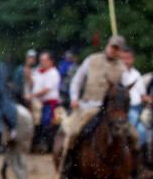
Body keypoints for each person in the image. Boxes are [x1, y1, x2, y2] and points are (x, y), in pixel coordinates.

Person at [64, 36, 128, 168]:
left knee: (133, 136)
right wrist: (74, 98)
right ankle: (68, 164)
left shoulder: (122, 68)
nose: (113, 50)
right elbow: (77, 81)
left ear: (120, 51)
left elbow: (126, 90)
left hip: (110, 111)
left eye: (117, 49)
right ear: (108, 45)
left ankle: (131, 170)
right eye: (112, 47)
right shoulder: (91, 60)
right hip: (88, 106)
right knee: (74, 132)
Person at [29, 51, 61, 151]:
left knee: (46, 121)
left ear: (51, 61)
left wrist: (32, 95)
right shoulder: (38, 72)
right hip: (37, 101)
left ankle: (47, 144)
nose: (42, 62)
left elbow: (46, 89)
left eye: (44, 60)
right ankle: (34, 143)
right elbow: (33, 83)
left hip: (49, 103)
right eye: (41, 60)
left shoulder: (53, 73)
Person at [121, 47, 146, 152]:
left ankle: (144, 156)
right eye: (124, 58)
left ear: (133, 59)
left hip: (139, 108)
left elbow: (143, 95)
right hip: (125, 109)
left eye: (129, 58)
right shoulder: (119, 73)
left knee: (145, 130)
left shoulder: (137, 74)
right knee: (140, 131)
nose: (127, 60)